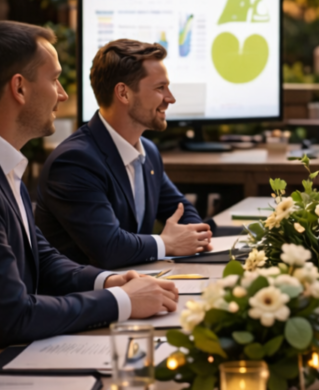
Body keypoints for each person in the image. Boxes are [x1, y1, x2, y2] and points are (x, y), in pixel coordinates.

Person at [0, 22, 178, 385]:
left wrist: (109, 281)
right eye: (55, 79)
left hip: (3, 363)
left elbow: (42, 258)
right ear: (19, 88)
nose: (62, 95)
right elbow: (12, 316)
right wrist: (121, 301)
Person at [36, 39, 213, 269]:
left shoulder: (148, 151)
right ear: (123, 93)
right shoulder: (74, 161)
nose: (170, 98)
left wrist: (193, 236)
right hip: (86, 298)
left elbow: (181, 209)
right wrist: (166, 243)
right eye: (160, 88)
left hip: (138, 288)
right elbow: (109, 248)